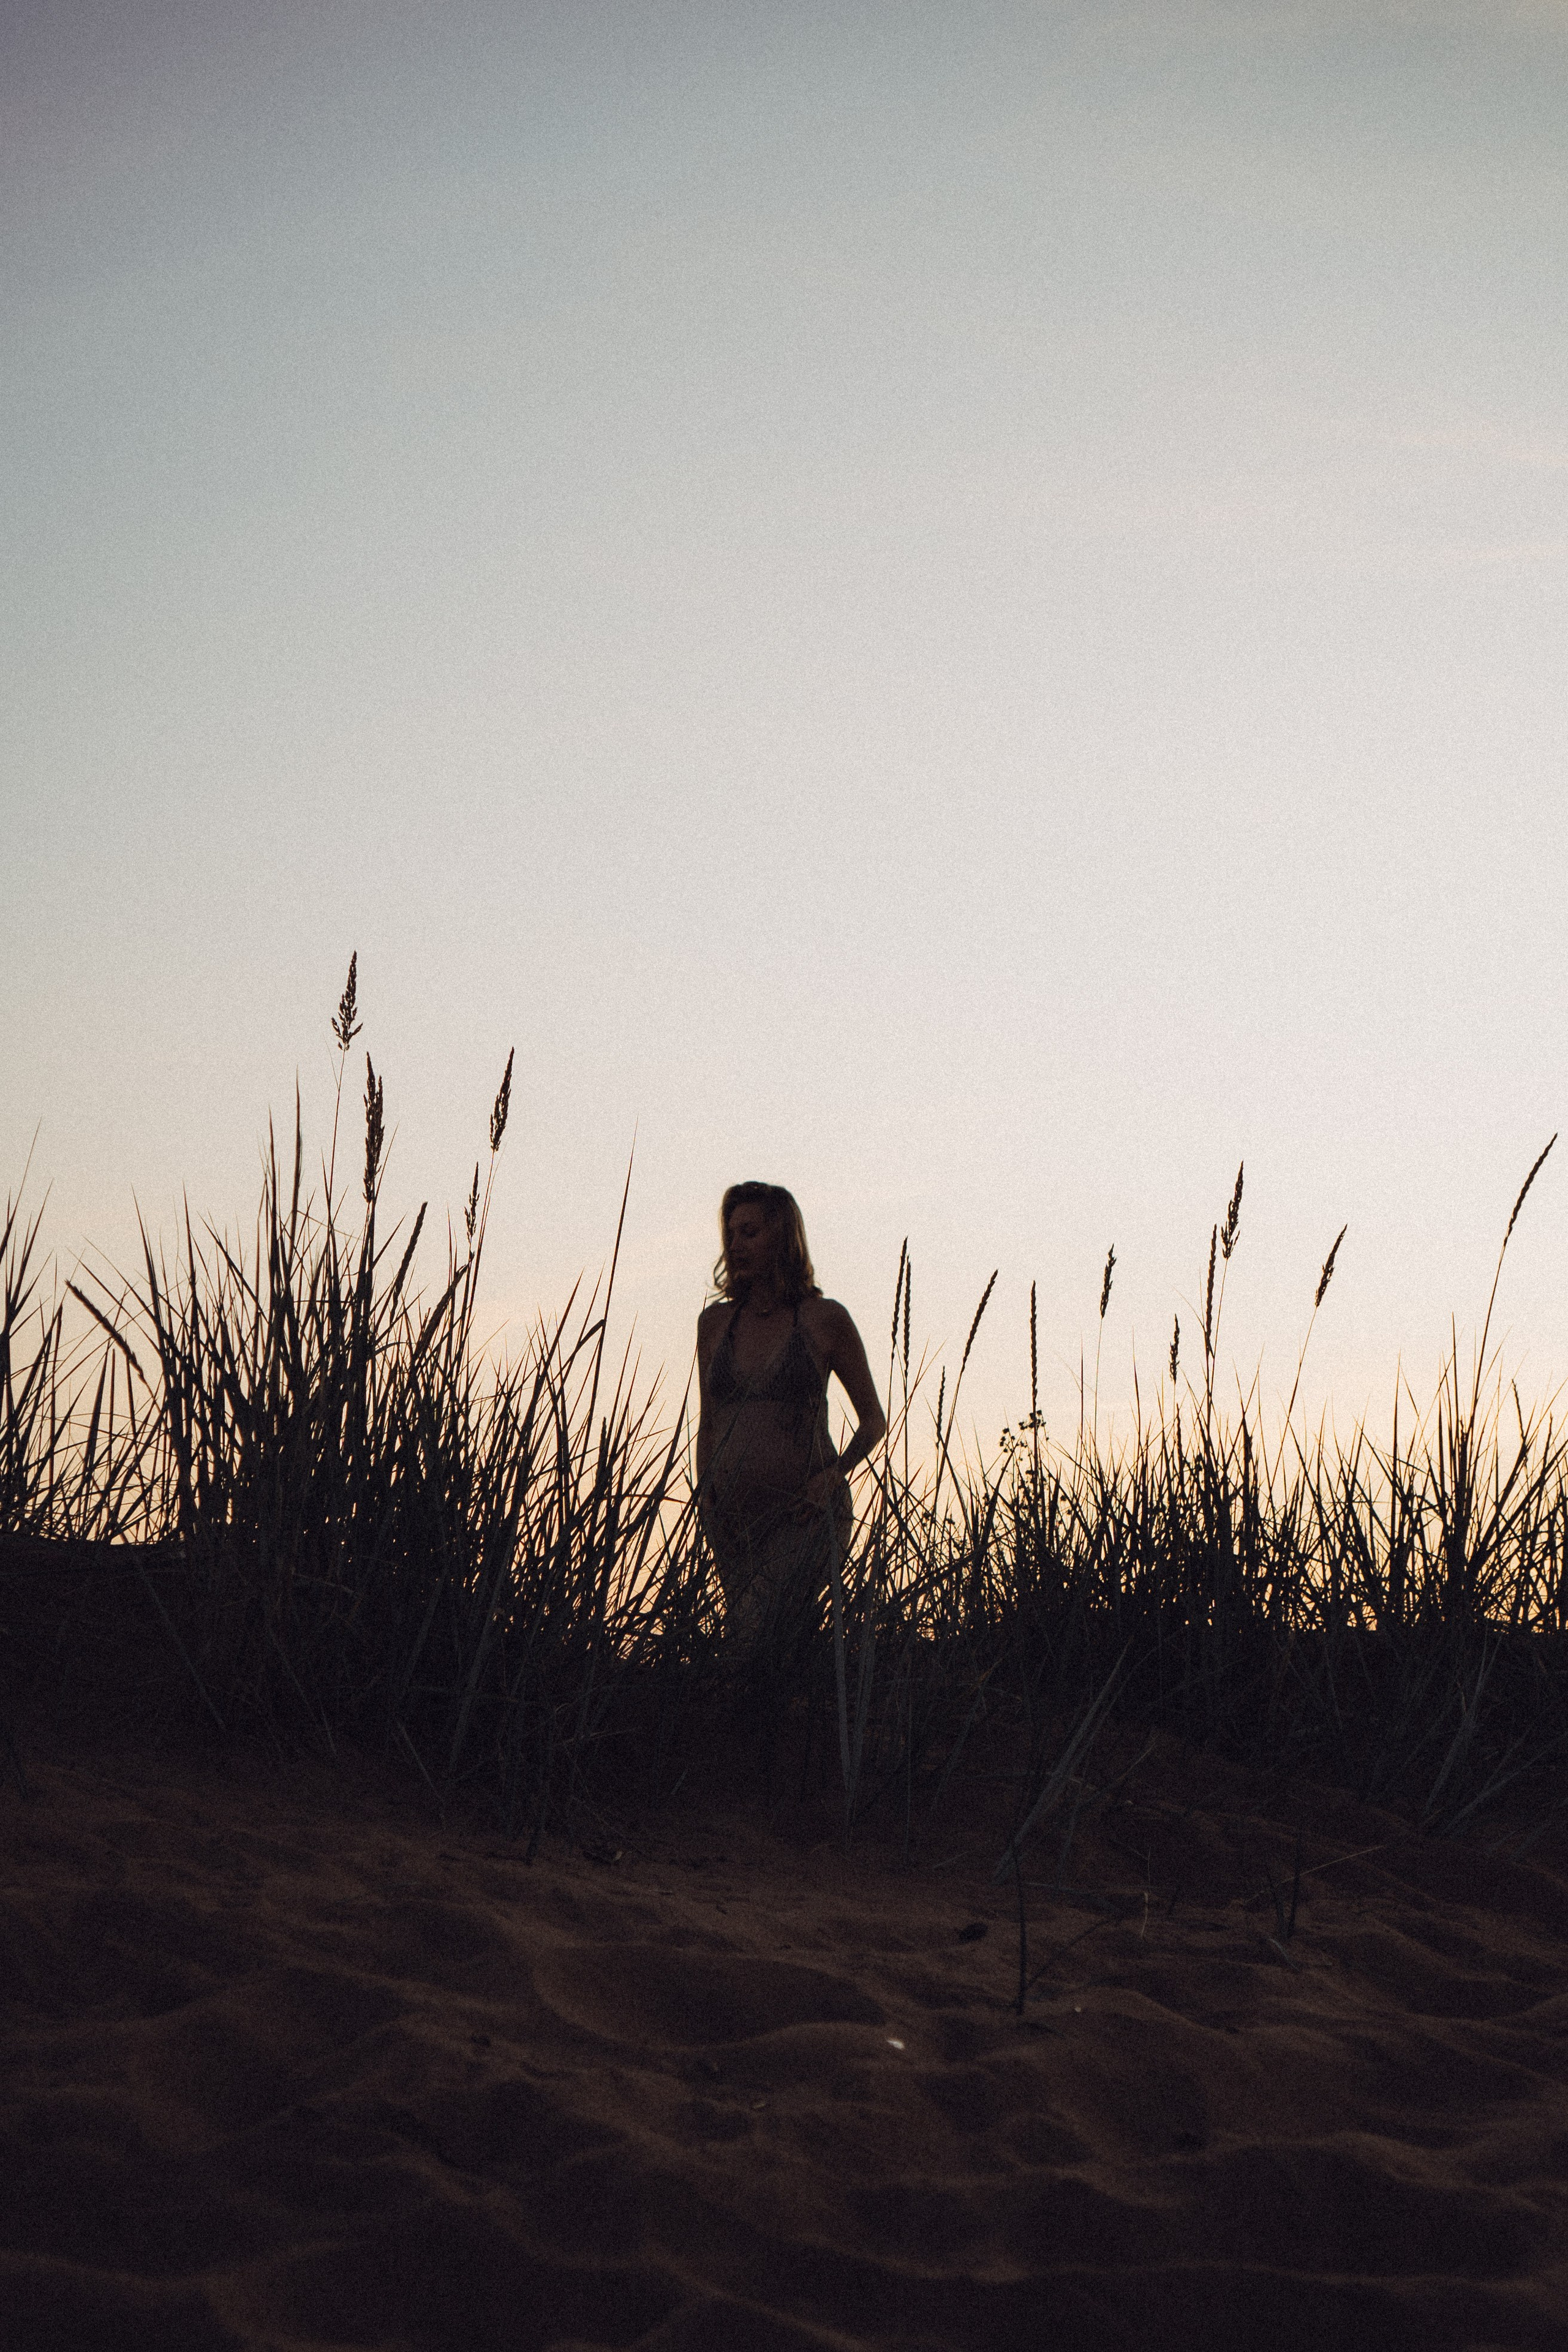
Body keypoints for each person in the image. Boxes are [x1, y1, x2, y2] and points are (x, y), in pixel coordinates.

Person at [696, 1182, 888, 1654]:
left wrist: (833, 1476)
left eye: (751, 1232)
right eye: (732, 1233)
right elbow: (709, 1421)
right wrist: (707, 1496)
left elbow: (873, 1421)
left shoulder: (825, 1319)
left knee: (755, 1629)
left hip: (804, 1515)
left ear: (782, 1238)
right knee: (768, 1645)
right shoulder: (715, 1324)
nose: (736, 1244)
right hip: (734, 1523)